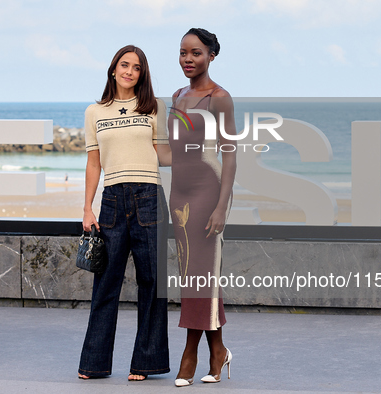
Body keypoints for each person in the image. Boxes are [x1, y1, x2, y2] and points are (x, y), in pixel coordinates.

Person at [78, 45, 170, 381]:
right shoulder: (94, 112)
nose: (130, 71)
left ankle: (146, 364)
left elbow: (164, 156)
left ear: (142, 74)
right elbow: (93, 162)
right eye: (124, 65)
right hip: (113, 201)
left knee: (153, 282)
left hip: (149, 197)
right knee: (105, 284)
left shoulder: (154, 107)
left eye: (136, 68)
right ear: (113, 69)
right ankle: (94, 364)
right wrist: (87, 207)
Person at [168, 28, 237, 386]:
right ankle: (219, 350)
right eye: (183, 53)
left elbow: (229, 155)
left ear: (211, 55)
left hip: (208, 193)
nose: (188, 59)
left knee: (198, 274)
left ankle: (189, 355)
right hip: (177, 195)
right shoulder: (177, 97)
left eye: (195, 53)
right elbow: (170, 152)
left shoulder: (219, 98)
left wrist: (222, 206)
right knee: (197, 274)